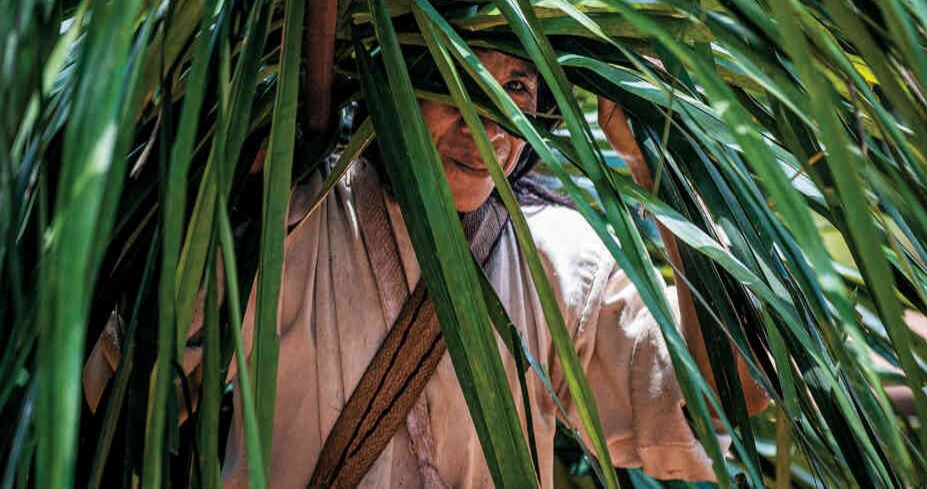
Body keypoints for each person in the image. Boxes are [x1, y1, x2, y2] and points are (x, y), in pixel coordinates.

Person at [85, 48, 767, 488]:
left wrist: (661, 166)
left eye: (517, 88)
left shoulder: (556, 258)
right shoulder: (298, 216)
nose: (488, 127)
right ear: (393, 73)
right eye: (456, 78)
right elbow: (128, 390)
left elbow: (722, 401)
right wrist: (231, 192)